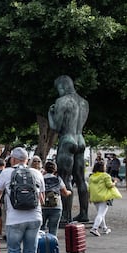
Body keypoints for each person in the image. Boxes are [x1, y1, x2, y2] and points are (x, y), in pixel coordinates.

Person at [48, 75, 89, 223]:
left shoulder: (61, 101)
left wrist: (50, 114)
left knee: (65, 180)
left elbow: (56, 127)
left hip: (67, 139)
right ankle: (84, 214)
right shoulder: (84, 103)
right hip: (80, 139)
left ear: (63, 86)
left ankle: (66, 216)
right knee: (81, 180)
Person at [88, 161, 122, 237]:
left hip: (94, 197)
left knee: (101, 214)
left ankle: (104, 228)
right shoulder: (106, 176)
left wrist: (89, 197)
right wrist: (115, 182)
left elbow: (89, 188)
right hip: (104, 197)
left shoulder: (92, 176)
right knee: (101, 214)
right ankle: (94, 228)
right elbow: (109, 185)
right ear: (103, 168)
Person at [41, 161, 72, 236]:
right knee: (53, 230)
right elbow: (65, 193)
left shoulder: (41, 178)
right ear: (55, 169)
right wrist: (69, 192)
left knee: (40, 230)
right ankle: (53, 246)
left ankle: (40, 246)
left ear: (45, 168)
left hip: (43, 206)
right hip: (56, 206)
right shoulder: (58, 179)